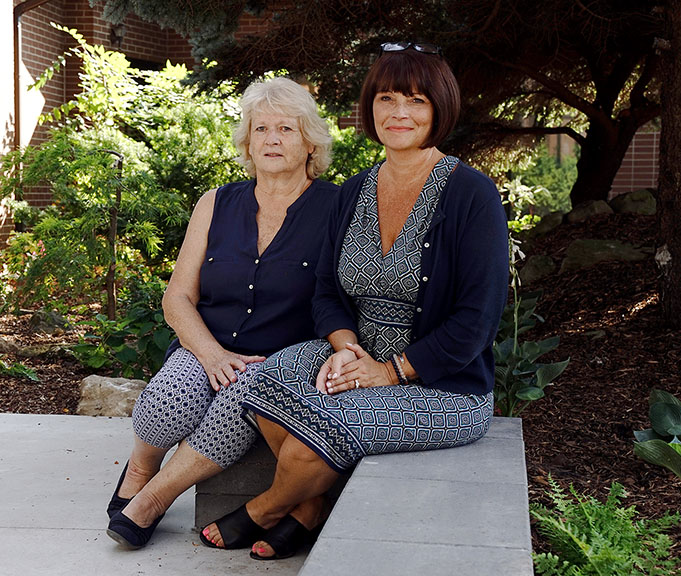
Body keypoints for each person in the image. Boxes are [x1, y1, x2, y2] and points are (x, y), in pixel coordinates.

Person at [199, 42, 509, 560]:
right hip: (353, 359)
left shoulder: (470, 193)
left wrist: (391, 372)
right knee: (265, 385)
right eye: (387, 98)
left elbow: (476, 321)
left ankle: (266, 510)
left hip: (443, 384)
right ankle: (309, 510)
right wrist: (344, 348)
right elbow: (327, 290)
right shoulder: (356, 190)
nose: (399, 113)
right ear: (370, 108)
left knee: (312, 435)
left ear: (440, 109)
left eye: (416, 100)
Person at [105, 77, 339, 549]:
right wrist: (210, 354)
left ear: (310, 141)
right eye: (261, 128)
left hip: (283, 358)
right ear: (247, 141)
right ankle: (140, 466)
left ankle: (153, 499)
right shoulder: (215, 202)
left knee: (240, 401)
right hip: (207, 342)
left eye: (286, 129)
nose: (272, 139)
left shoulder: (337, 207)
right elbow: (177, 298)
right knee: (171, 397)